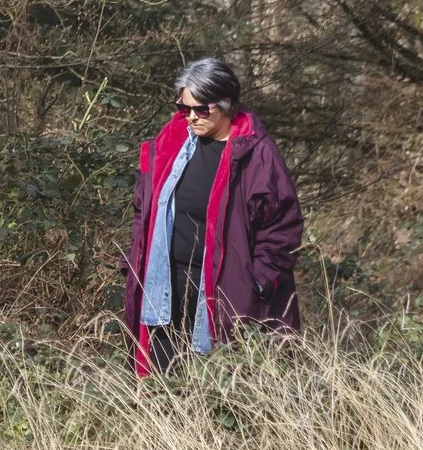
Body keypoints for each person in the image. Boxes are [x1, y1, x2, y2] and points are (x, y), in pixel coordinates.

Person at [121, 57, 304, 374]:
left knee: (218, 384)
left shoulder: (256, 155)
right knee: (163, 382)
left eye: (202, 109)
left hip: (224, 290)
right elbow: (144, 206)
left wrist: (257, 282)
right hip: (165, 285)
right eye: (184, 108)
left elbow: (282, 227)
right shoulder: (172, 143)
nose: (191, 117)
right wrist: (134, 260)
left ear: (227, 104)